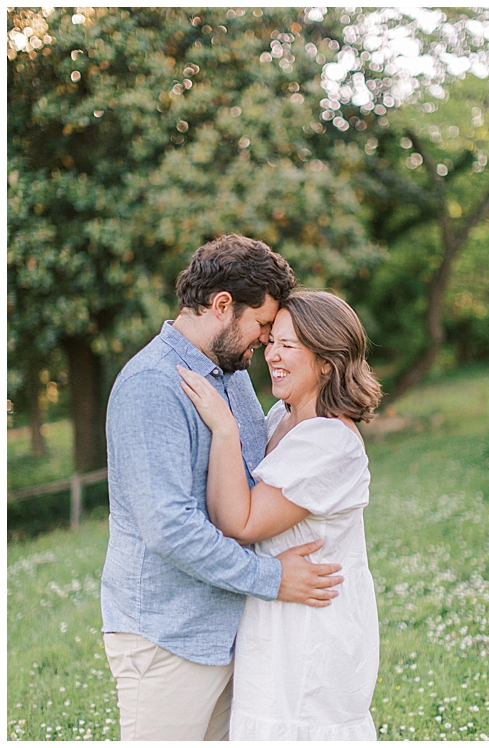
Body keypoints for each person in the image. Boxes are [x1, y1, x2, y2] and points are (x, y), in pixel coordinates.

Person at [101, 235, 344, 741]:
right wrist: (271, 577)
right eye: (261, 326)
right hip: (168, 637)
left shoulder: (230, 375)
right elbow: (169, 529)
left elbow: (253, 480)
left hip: (233, 634)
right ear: (222, 306)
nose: (265, 341)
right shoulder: (152, 385)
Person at [177, 289, 383, 740]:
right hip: (276, 621)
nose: (272, 354)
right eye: (271, 342)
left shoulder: (331, 443)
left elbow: (240, 522)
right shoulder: (281, 419)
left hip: (311, 634)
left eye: (288, 346)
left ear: (326, 361)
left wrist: (224, 427)